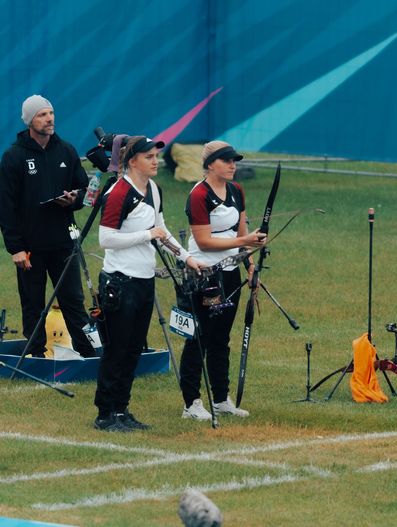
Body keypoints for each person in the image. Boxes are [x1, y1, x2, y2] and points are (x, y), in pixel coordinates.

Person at [94, 136, 202, 432]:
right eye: (150, 157)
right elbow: (106, 239)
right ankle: (105, 414)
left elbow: (161, 229)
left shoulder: (154, 188)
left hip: (144, 281)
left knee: (133, 349)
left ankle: (122, 409)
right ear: (132, 161)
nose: (156, 161)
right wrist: (146, 235)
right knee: (117, 349)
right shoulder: (118, 193)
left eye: (156, 156)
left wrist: (186, 257)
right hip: (120, 281)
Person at [0, 95, 95, 358]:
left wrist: (73, 200)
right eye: (42, 114)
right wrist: (15, 248)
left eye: (51, 113)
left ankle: (87, 354)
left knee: (73, 301)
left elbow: (86, 191)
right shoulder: (13, 156)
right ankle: (36, 356)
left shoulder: (66, 150)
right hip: (29, 247)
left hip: (63, 242)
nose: (49, 118)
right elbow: (5, 207)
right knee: (32, 303)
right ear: (30, 120)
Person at [179, 141, 266, 421]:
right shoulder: (198, 195)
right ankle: (191, 402)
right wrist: (245, 240)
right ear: (210, 164)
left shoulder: (236, 190)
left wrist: (250, 263)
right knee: (199, 336)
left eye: (234, 161)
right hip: (203, 273)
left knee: (221, 336)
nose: (232, 165)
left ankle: (220, 399)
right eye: (226, 160)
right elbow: (204, 241)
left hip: (230, 272)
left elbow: (241, 231)